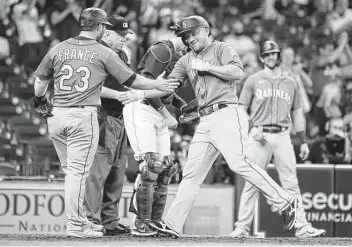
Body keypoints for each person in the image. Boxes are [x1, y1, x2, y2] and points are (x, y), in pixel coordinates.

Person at [147, 15, 300, 238]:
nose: (189, 39)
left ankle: (286, 200)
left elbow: (237, 73)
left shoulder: (221, 49)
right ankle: (172, 225)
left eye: (193, 33)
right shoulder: (185, 60)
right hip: (204, 119)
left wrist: (208, 67)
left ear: (206, 30)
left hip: (227, 112)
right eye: (186, 36)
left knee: (239, 163)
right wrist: (141, 89)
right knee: (191, 175)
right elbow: (168, 86)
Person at [32, 7, 179, 238]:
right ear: (102, 28)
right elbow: (133, 81)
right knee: (81, 175)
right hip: (86, 115)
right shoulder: (102, 51)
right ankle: (81, 224)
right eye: (119, 34)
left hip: (57, 114)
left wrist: (39, 99)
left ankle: (95, 221)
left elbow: (40, 82)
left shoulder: (59, 47)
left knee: (75, 173)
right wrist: (157, 86)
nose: (123, 38)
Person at [231, 40, 326, 238]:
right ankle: (242, 228)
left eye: (273, 53)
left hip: (283, 135)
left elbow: (298, 113)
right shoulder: (253, 79)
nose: (271, 57)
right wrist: (251, 128)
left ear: (278, 55)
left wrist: (304, 141)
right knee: (252, 182)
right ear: (261, 57)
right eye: (267, 54)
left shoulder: (291, 82)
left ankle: (302, 226)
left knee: (291, 183)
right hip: (259, 135)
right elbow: (240, 108)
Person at [123, 36, 188, 236]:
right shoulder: (163, 50)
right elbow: (145, 85)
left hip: (158, 113)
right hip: (141, 109)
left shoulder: (179, 57)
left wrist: (183, 106)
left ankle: (155, 221)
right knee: (151, 165)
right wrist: (167, 114)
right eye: (190, 39)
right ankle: (141, 223)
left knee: (166, 167)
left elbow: (167, 90)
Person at [84, 15, 132, 236]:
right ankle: (91, 220)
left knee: (117, 172)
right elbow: (91, 87)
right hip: (103, 116)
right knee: (98, 172)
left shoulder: (121, 53)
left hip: (120, 118)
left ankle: (110, 221)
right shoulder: (97, 52)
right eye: (120, 35)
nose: (124, 38)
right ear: (107, 32)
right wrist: (121, 95)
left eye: (126, 35)